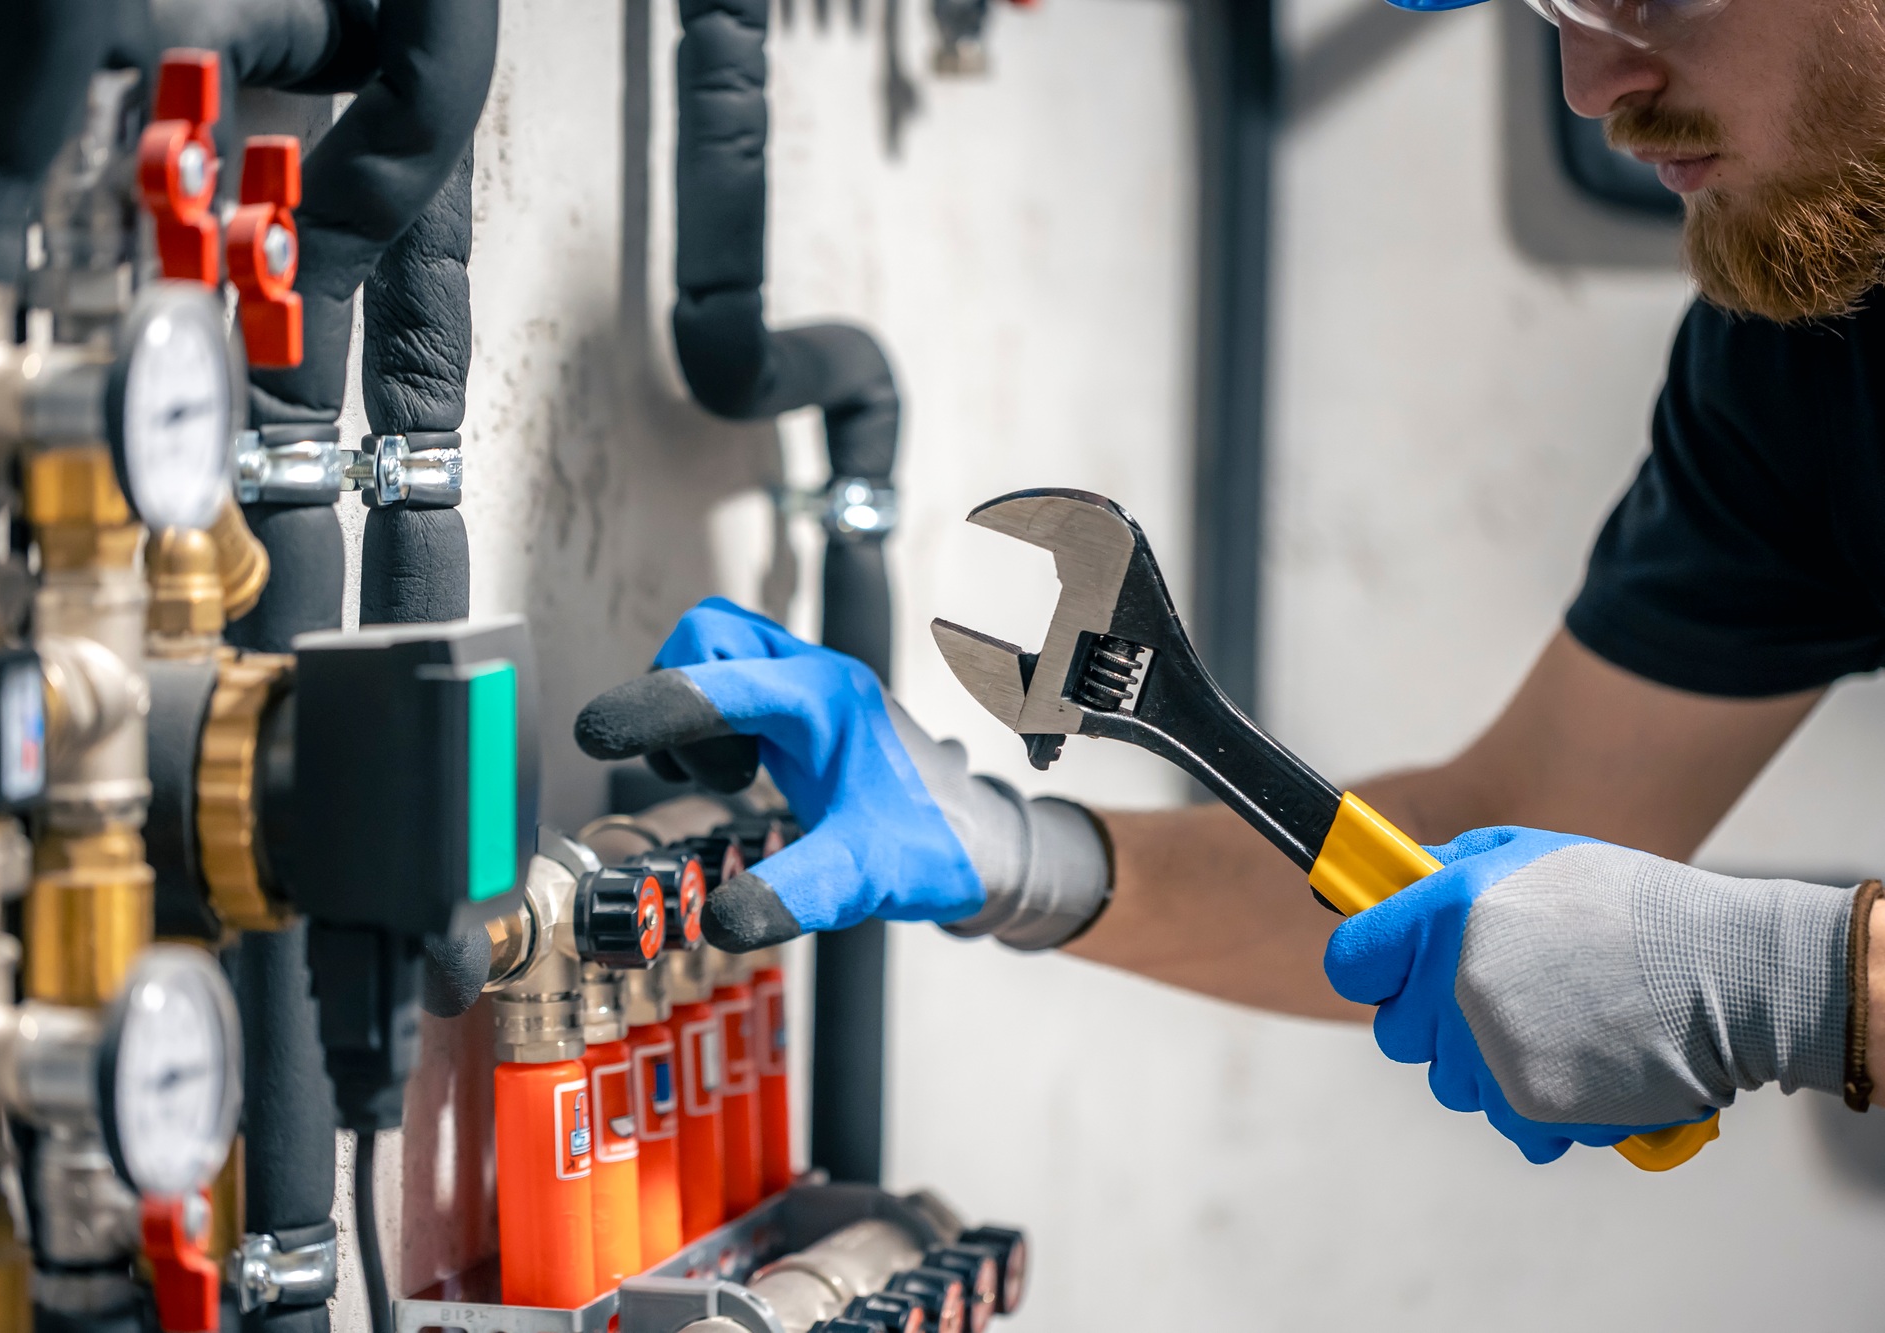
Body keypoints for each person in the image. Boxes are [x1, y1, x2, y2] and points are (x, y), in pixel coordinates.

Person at [577, 0, 1885, 1163]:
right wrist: (1020, 853)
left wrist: (1805, 982)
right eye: (1548, 8)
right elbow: (1521, 821)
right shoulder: (1795, 367)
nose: (1590, 84)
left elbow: (1724, 957)